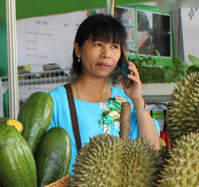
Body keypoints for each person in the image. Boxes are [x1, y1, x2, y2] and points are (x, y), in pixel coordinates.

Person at [48, 14, 160, 171]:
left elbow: (153, 149)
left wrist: (138, 100)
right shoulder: (55, 102)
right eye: (98, 44)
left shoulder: (123, 102)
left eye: (115, 46)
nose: (106, 54)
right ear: (78, 49)